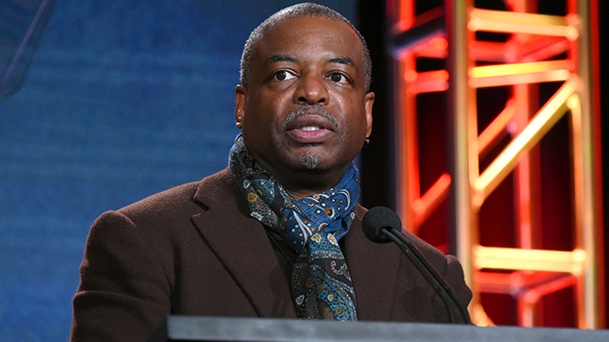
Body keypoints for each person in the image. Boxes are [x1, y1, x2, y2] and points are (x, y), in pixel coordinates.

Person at [70, 2, 472, 341]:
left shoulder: (431, 275)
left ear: (367, 115)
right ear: (241, 106)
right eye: (284, 75)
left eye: (337, 77)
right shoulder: (145, 240)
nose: (312, 92)